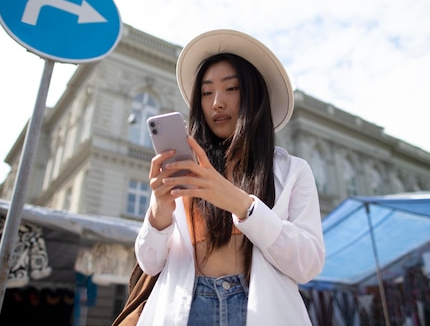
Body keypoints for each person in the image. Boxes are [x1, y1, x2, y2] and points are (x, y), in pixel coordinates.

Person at [134, 29, 325, 326]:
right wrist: (159, 212)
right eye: (207, 92)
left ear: (254, 97)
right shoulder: (186, 166)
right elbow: (149, 262)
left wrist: (242, 205)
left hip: (260, 311)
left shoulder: (292, 171)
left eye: (231, 89)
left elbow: (308, 264)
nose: (216, 103)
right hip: (186, 310)